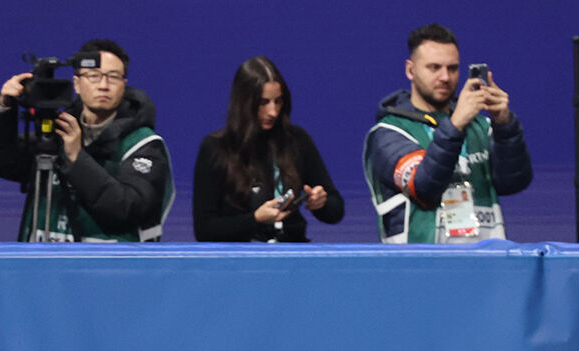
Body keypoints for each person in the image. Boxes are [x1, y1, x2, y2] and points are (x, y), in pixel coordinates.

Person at [0, 39, 174, 243]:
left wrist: (76, 158)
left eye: (113, 77)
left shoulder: (143, 144)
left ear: (124, 85)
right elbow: (1, 159)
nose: (103, 85)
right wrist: (2, 108)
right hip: (41, 267)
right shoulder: (57, 134)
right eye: (93, 76)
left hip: (106, 270)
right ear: (77, 84)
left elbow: (127, 209)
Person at [363, 23, 532, 244]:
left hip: (486, 263)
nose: (445, 77)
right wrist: (455, 125)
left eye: (452, 68)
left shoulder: (481, 126)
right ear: (410, 70)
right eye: (434, 67)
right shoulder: (388, 133)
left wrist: (505, 126)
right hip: (420, 269)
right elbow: (424, 188)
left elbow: (514, 183)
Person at [193, 57, 343, 243]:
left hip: (292, 255)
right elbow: (205, 229)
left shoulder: (297, 140)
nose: (273, 111)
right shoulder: (215, 148)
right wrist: (255, 219)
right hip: (240, 261)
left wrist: (321, 203)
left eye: (278, 101)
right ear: (244, 103)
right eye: (263, 102)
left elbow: (336, 211)